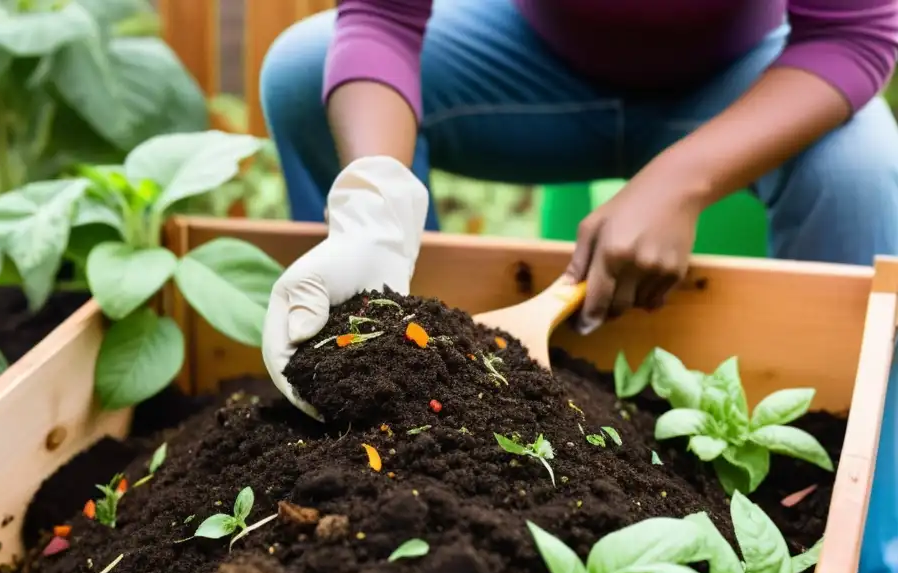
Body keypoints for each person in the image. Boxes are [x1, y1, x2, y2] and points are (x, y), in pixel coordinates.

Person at [260, 0, 898, 416]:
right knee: (303, 71)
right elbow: (381, 16)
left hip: (746, 78)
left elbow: (851, 34)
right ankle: (399, 375)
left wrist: (679, 182)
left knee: (860, 167)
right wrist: (376, 214)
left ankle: (861, 567)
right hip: (528, 67)